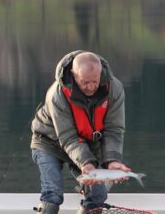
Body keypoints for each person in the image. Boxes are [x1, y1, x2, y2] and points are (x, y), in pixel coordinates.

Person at [31, 50, 130, 214]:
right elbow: (68, 137)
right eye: (85, 82)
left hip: (87, 144)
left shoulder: (114, 88)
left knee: (97, 198)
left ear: (101, 74)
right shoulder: (56, 95)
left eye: (95, 81)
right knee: (53, 196)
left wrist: (111, 161)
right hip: (49, 142)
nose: (91, 87)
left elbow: (114, 129)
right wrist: (87, 164)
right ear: (73, 75)